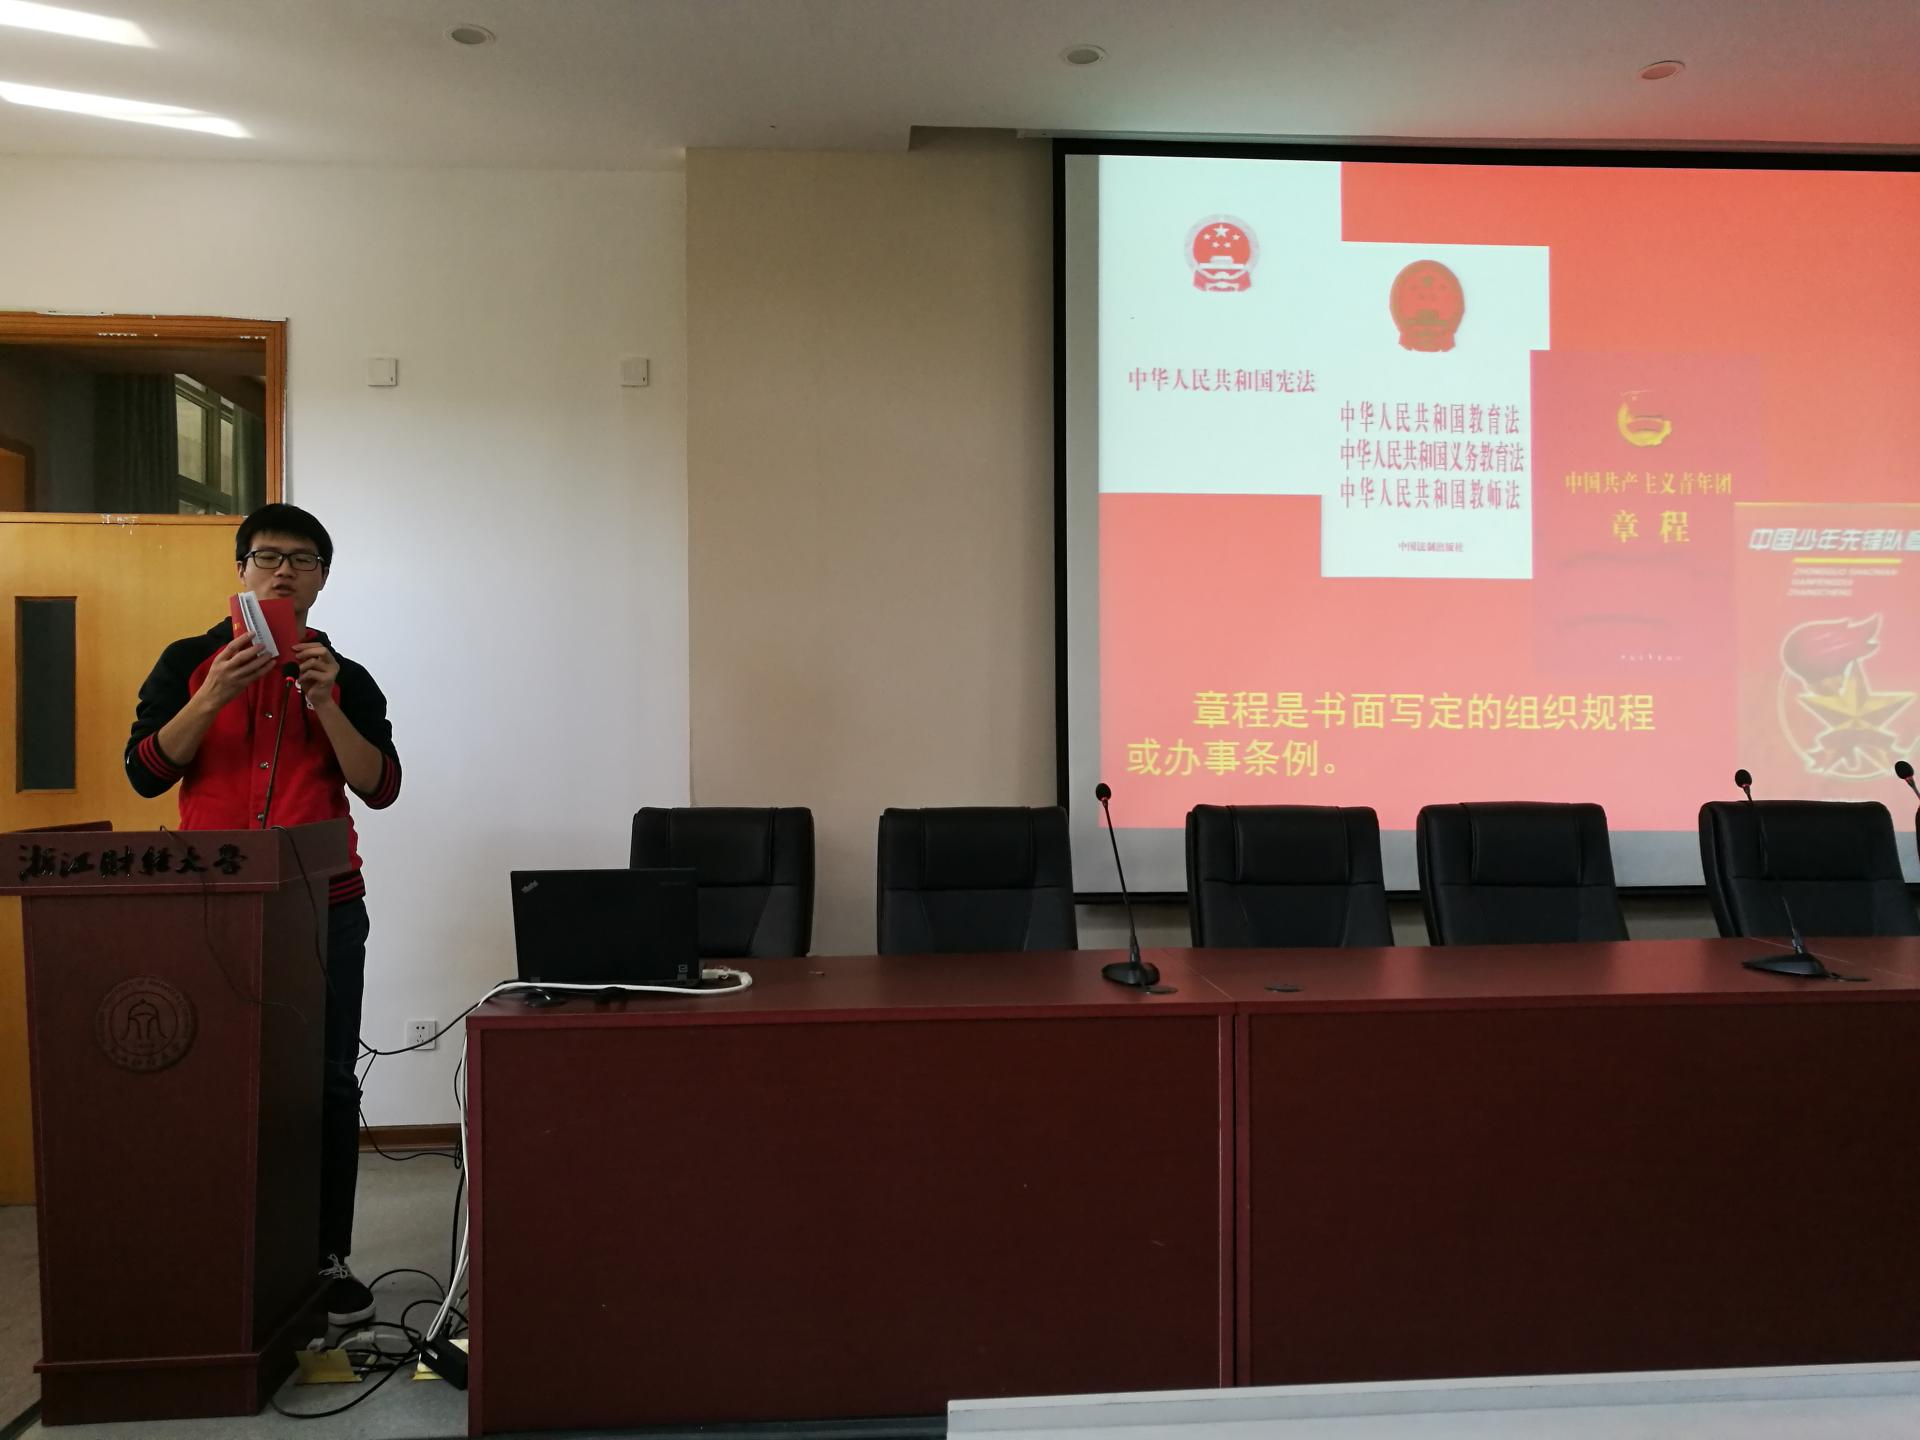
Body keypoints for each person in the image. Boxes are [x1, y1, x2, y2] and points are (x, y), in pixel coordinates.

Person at [124, 503, 401, 1326]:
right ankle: (211, 1250)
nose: (284, 571)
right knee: (206, 1078)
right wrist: (215, 693)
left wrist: (326, 704)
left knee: (324, 1082)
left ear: (321, 580)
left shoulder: (347, 675)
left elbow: (380, 787)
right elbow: (145, 772)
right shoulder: (187, 661)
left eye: (303, 560)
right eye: (269, 556)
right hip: (205, 905)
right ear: (241, 568)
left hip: (323, 909)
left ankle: (325, 1256)